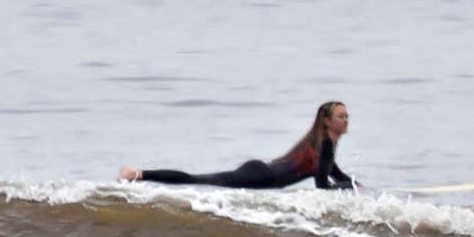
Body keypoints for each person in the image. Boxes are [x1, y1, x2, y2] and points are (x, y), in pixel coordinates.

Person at [119, 100, 355, 190]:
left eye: (346, 116)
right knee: (195, 180)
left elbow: (339, 175)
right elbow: (323, 185)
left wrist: (359, 189)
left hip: (261, 172)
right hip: (261, 176)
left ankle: (138, 174)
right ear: (326, 121)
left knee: (199, 179)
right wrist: (349, 188)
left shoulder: (324, 146)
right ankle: (136, 174)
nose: (346, 120)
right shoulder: (322, 146)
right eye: (340, 116)